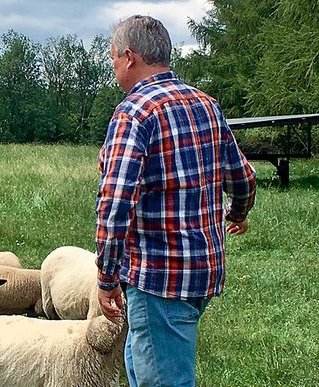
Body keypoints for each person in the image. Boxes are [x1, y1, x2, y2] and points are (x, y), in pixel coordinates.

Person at [95, 15, 256, 387]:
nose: (114, 67)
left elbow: (116, 202)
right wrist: (238, 212)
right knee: (141, 360)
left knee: (164, 378)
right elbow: (242, 176)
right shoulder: (206, 104)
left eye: (114, 59)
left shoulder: (134, 113)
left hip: (160, 278)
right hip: (203, 271)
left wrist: (106, 277)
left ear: (130, 57)